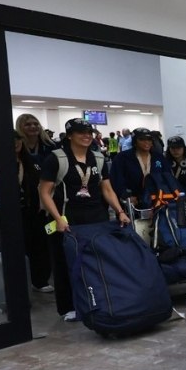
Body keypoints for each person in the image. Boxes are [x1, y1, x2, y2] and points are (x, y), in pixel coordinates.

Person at [38, 118, 130, 321]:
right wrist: (58, 219)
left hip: (96, 217)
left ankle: (97, 300)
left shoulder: (97, 158)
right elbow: (44, 192)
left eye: (89, 132)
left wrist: (120, 211)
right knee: (65, 264)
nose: (86, 136)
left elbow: (107, 188)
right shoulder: (57, 159)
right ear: (70, 135)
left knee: (95, 260)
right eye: (81, 132)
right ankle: (68, 306)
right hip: (67, 219)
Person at [13, 129, 53, 293]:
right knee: (16, 249)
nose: (16, 143)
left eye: (18, 140)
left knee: (40, 246)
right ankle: (17, 284)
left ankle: (40, 280)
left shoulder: (32, 162)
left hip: (35, 212)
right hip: (12, 214)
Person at [109, 127, 166, 210]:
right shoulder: (122, 158)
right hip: (132, 203)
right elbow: (116, 179)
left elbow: (166, 177)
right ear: (135, 141)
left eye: (149, 139)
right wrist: (125, 195)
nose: (146, 142)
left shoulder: (159, 157)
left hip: (157, 201)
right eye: (142, 139)